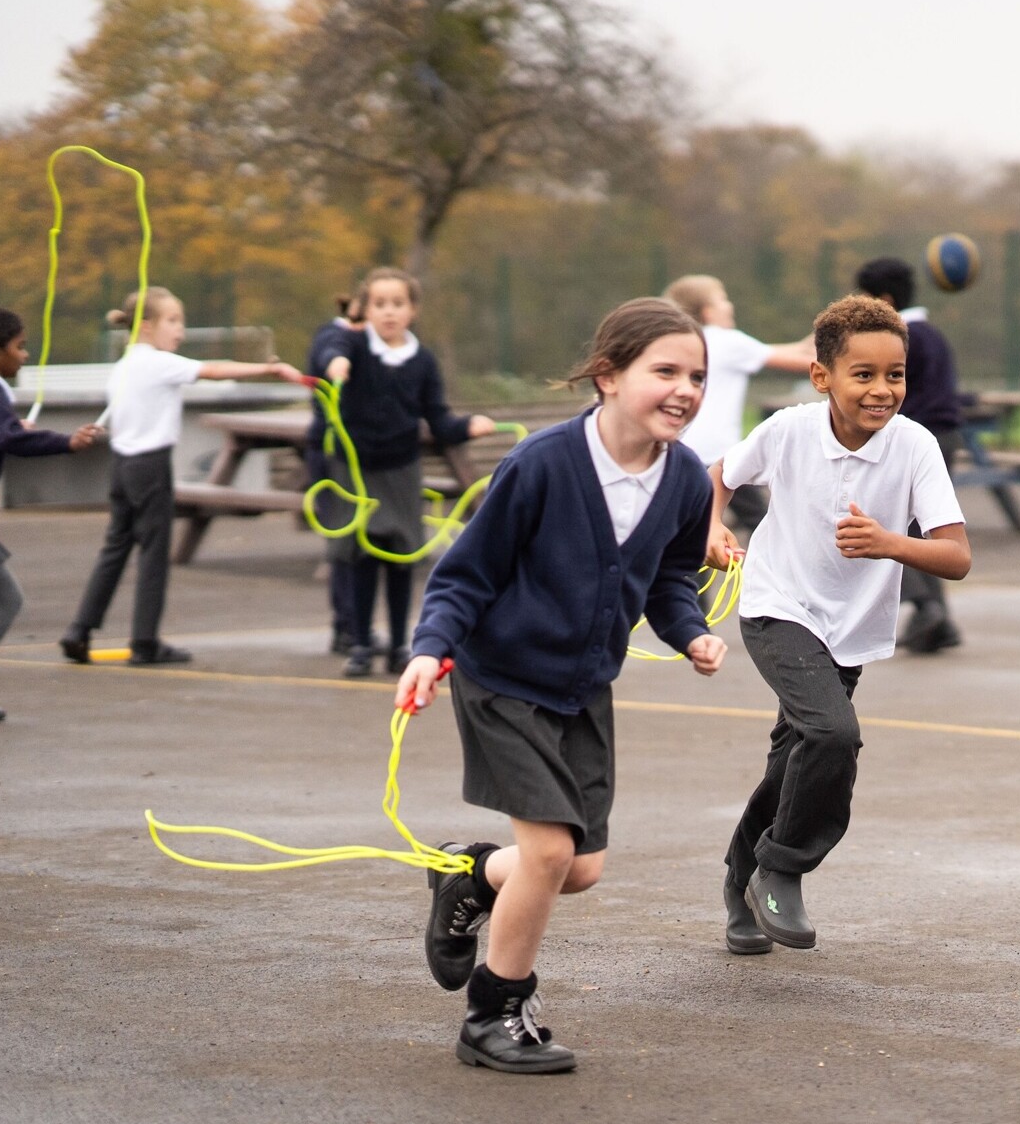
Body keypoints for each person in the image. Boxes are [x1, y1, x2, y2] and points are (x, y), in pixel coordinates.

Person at [401, 297, 727, 1074]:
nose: (685, 389)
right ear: (608, 376)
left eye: (697, 377)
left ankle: (468, 874)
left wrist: (690, 632)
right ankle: (493, 1013)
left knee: (578, 869)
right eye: (666, 371)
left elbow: (670, 579)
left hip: (583, 691)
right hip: (503, 680)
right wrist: (430, 650)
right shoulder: (543, 463)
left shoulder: (685, 478)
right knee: (548, 853)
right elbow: (466, 575)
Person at [704, 294, 970, 953]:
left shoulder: (915, 445)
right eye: (864, 374)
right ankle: (782, 867)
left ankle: (741, 882)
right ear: (822, 376)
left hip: (850, 628)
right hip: (778, 606)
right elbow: (718, 476)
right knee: (832, 734)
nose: (883, 389)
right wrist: (711, 525)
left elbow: (956, 556)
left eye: (895, 374)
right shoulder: (789, 431)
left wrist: (890, 544)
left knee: (793, 761)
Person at [59, 288, 303, 666]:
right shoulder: (158, 363)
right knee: (154, 553)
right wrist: (268, 369)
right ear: (145, 327)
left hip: (121, 467)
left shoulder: (124, 366)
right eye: (172, 321)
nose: (181, 331)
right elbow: (214, 370)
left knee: (116, 547)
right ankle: (145, 642)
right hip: (150, 467)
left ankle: (79, 630)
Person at [314, 267, 497, 677]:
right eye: (379, 304)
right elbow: (331, 344)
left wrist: (467, 426)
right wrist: (335, 361)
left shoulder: (423, 361)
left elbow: (438, 418)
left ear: (412, 310)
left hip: (400, 469)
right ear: (366, 310)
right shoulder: (354, 347)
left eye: (397, 304)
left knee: (400, 558)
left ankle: (399, 645)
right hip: (356, 469)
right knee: (361, 557)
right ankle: (361, 644)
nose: (389, 312)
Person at [0, 308, 102, 719]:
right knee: (4, 600)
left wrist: (10, 428)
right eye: (19, 347)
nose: (24, 356)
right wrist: (66, 442)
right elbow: (8, 440)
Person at [855, 256, 966, 653]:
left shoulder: (899, 339)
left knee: (886, 529)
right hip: (944, 436)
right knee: (927, 530)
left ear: (884, 300)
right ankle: (939, 622)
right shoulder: (932, 334)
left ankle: (925, 606)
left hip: (915, 441)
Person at [659, 274, 814, 534]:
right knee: (763, 523)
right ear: (708, 312)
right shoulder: (727, 340)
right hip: (718, 454)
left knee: (687, 530)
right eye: (723, 299)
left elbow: (792, 348)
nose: (729, 305)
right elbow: (806, 361)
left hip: (683, 451)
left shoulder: (690, 340)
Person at [310, 293, 364, 655]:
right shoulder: (335, 335)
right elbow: (331, 352)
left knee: (364, 544)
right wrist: (337, 363)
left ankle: (357, 628)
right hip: (334, 453)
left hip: (362, 455)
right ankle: (347, 626)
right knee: (345, 542)